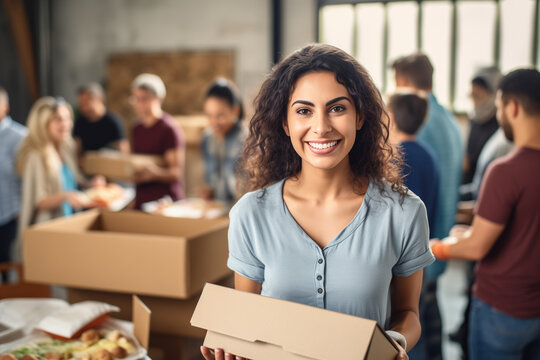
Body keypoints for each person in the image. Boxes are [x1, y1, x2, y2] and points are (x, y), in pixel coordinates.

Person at [201, 44, 435, 360]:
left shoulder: (404, 212)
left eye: (337, 108)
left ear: (359, 116)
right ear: (284, 123)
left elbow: (408, 312)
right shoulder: (250, 214)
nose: (321, 127)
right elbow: (247, 320)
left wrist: (395, 341)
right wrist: (230, 343)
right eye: (303, 111)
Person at [431, 68, 540, 360]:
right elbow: (524, 231)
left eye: (500, 105)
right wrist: (468, 234)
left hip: (502, 309)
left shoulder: (506, 171)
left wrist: (436, 247)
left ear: (512, 107)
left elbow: (478, 246)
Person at [391, 53, 462, 360]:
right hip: (439, 239)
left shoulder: (419, 135)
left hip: (421, 251)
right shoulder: (446, 119)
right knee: (429, 326)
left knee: (412, 329)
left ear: (404, 83)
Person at [387, 92, 441, 360]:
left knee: (401, 329)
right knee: (416, 316)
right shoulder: (430, 156)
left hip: (399, 256)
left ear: (391, 118)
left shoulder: (395, 156)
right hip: (422, 249)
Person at [15, 97, 102, 261]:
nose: (66, 124)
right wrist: (66, 196)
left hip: (68, 224)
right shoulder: (36, 156)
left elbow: (72, 183)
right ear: (43, 124)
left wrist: (91, 184)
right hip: (47, 228)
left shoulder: (66, 148)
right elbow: (38, 200)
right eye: (58, 120)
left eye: (68, 118)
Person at [130, 73, 185, 209]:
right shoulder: (136, 128)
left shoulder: (169, 128)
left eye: (144, 99)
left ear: (158, 99)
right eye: (136, 99)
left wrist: (154, 173)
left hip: (165, 203)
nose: (140, 104)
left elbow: (176, 173)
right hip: (142, 201)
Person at [200, 78, 247, 204]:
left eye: (220, 116)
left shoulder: (249, 140)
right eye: (209, 116)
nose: (214, 122)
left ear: (235, 111)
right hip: (216, 210)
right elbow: (210, 181)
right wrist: (209, 192)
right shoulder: (208, 138)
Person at [0, 87, 27, 266]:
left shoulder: (21, 137)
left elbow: (28, 179)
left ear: (6, 107)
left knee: (10, 267)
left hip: (11, 214)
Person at [462, 67, 501, 187]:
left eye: (479, 96)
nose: (475, 102)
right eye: (472, 96)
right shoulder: (473, 119)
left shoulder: (499, 125)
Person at [73, 82, 129, 157]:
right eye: (81, 103)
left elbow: (124, 152)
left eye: (86, 102)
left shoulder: (114, 122)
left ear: (99, 99)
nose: (83, 107)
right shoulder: (80, 123)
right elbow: (77, 151)